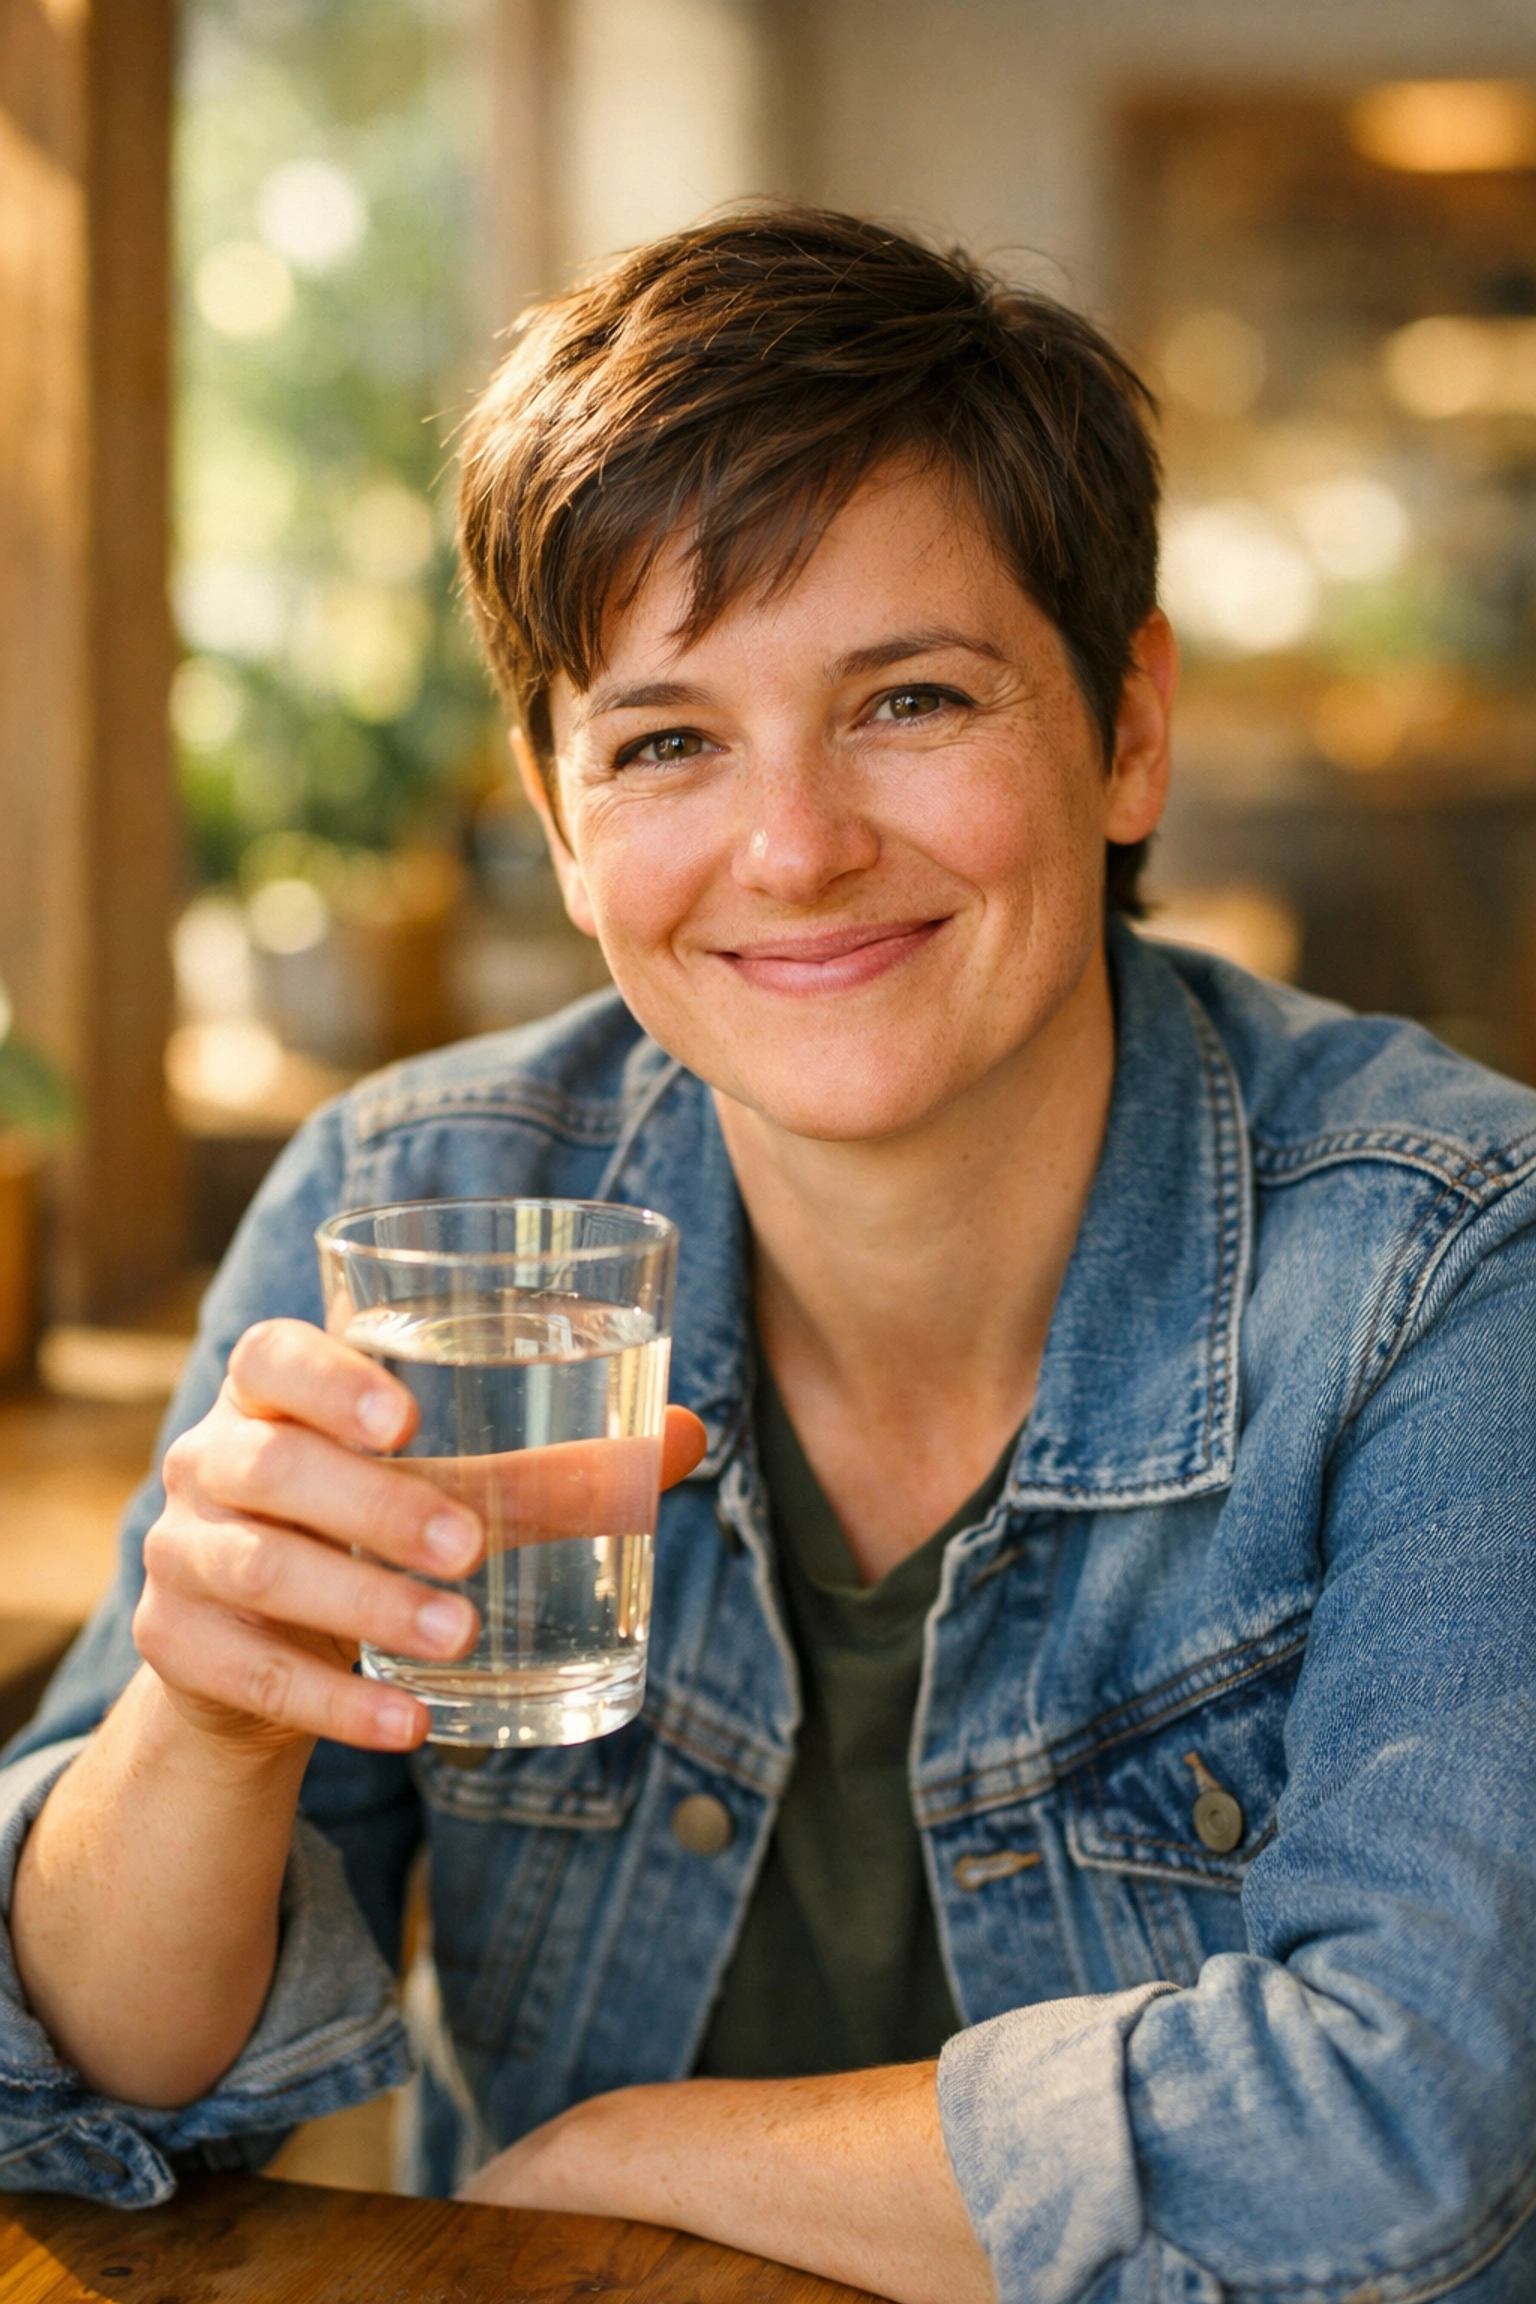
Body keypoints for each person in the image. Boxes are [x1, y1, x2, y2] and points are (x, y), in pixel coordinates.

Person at [4, 208, 1535, 2304]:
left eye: (908, 698)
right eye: (664, 740)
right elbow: (96, 2096)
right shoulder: (418, 1202)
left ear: (1129, 728)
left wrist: (644, 2161)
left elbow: (1405, 2134)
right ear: (561, 816)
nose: (793, 847)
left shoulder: (1452, 1267)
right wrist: (208, 1724)